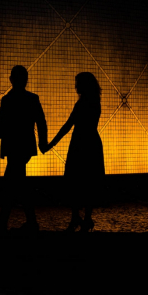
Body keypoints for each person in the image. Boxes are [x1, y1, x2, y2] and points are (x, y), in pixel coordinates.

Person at [0, 65, 48, 233]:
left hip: (12, 146)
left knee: (12, 184)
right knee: (17, 184)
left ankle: (6, 222)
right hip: (25, 147)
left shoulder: (8, 100)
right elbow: (41, 122)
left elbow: (1, 126)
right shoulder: (32, 99)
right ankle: (27, 222)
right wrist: (42, 143)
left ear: (11, 79)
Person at [47, 72, 104, 233]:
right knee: (89, 181)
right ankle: (87, 217)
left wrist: (51, 144)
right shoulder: (95, 102)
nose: (75, 86)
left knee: (75, 180)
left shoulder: (82, 104)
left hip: (79, 144)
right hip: (92, 143)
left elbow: (68, 125)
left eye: (78, 83)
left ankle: (75, 217)